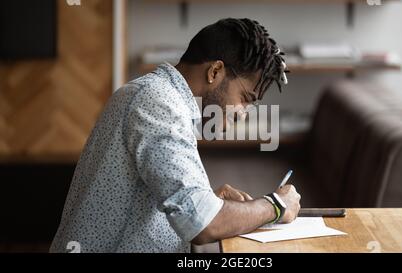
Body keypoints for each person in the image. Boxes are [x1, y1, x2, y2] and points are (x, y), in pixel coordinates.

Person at [50, 18, 301, 253]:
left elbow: (166, 203)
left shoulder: (156, 94)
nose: (243, 114)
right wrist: (276, 205)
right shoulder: (157, 102)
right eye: (245, 99)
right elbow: (201, 224)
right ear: (215, 72)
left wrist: (209, 202)